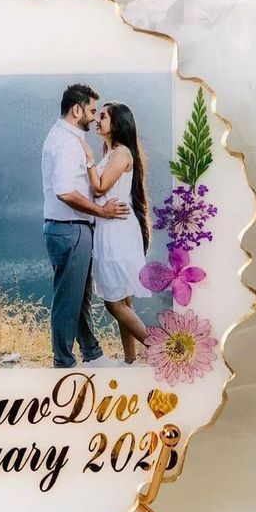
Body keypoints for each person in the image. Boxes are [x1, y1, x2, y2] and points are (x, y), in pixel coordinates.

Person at [41, 84, 130, 368]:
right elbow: (65, 192)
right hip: (71, 228)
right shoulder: (66, 142)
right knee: (69, 299)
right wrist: (101, 211)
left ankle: (92, 354)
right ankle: (64, 362)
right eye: (92, 111)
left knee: (77, 297)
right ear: (76, 109)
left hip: (67, 228)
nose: (93, 117)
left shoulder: (67, 137)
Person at [80, 102, 150, 364]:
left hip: (116, 231)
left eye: (103, 117)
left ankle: (164, 351)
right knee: (124, 301)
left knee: (114, 304)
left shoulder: (121, 154)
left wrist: (87, 158)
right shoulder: (112, 152)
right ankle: (131, 361)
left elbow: (99, 189)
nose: (98, 120)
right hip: (112, 228)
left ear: (117, 123)